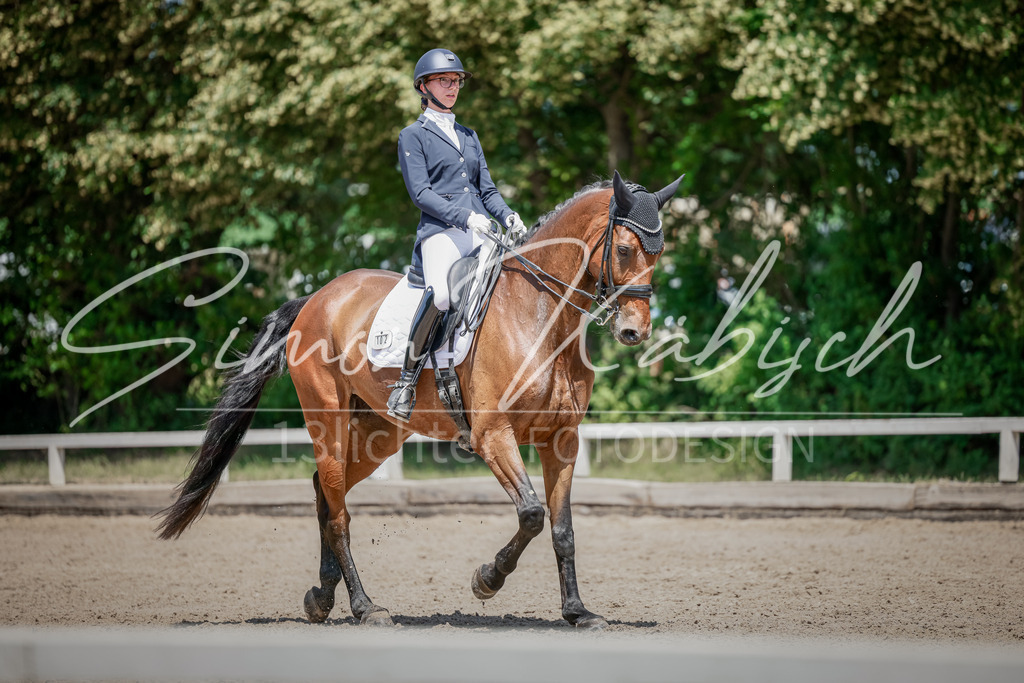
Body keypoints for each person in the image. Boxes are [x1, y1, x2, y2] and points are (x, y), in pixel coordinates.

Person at [387, 48, 527, 421]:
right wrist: (465, 218)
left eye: (456, 81)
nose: (453, 87)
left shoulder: (469, 135)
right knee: (444, 295)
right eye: (445, 81)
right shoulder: (412, 136)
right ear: (424, 86)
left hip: (481, 227)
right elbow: (421, 194)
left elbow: (488, 189)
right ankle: (406, 380)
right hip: (441, 232)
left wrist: (508, 215)